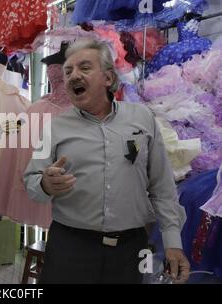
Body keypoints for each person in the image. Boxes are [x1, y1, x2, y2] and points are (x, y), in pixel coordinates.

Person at [24, 38, 190, 284]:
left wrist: (173, 242)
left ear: (109, 78)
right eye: (68, 71)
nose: (73, 76)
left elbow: (162, 186)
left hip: (129, 250)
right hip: (70, 247)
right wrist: (46, 185)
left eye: (85, 68)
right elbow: (30, 180)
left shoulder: (142, 118)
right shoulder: (54, 128)